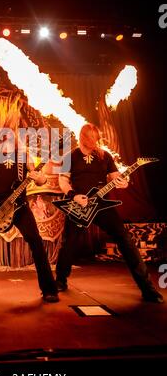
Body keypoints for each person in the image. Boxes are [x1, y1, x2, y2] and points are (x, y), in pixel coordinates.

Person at [55, 123, 164, 303]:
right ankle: (60, 280)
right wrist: (73, 196)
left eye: (96, 139)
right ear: (83, 137)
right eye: (91, 139)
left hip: (101, 205)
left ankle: (147, 288)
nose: (94, 142)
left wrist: (124, 182)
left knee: (125, 239)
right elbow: (63, 181)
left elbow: (115, 178)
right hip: (78, 205)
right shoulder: (70, 156)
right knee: (69, 243)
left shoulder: (105, 155)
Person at [0, 97, 59, 303]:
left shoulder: (23, 156)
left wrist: (40, 177)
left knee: (36, 242)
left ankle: (49, 289)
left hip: (19, 206)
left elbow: (41, 177)